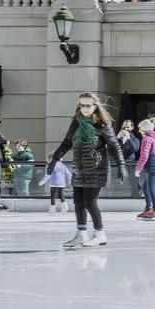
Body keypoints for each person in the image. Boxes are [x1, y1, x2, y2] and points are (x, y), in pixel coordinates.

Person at [47, 92, 125, 249]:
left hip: (96, 167)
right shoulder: (76, 122)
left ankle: (100, 234)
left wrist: (121, 165)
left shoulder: (103, 124)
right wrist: (54, 160)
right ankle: (81, 233)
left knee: (90, 202)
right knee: (78, 202)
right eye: (81, 105)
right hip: (79, 166)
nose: (84, 108)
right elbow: (67, 143)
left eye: (88, 105)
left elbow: (114, 146)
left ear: (95, 106)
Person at [134, 115, 155, 221]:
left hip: (151, 164)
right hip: (154, 164)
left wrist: (138, 169)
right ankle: (149, 208)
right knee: (146, 187)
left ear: (145, 129)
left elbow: (144, 156)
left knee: (150, 187)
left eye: (140, 128)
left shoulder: (147, 139)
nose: (139, 130)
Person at [116, 120, 140, 196]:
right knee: (119, 184)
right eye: (124, 127)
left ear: (132, 128)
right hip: (118, 164)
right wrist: (116, 138)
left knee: (131, 183)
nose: (125, 129)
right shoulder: (117, 138)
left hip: (130, 164)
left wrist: (128, 138)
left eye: (128, 127)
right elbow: (111, 149)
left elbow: (134, 149)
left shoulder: (135, 139)